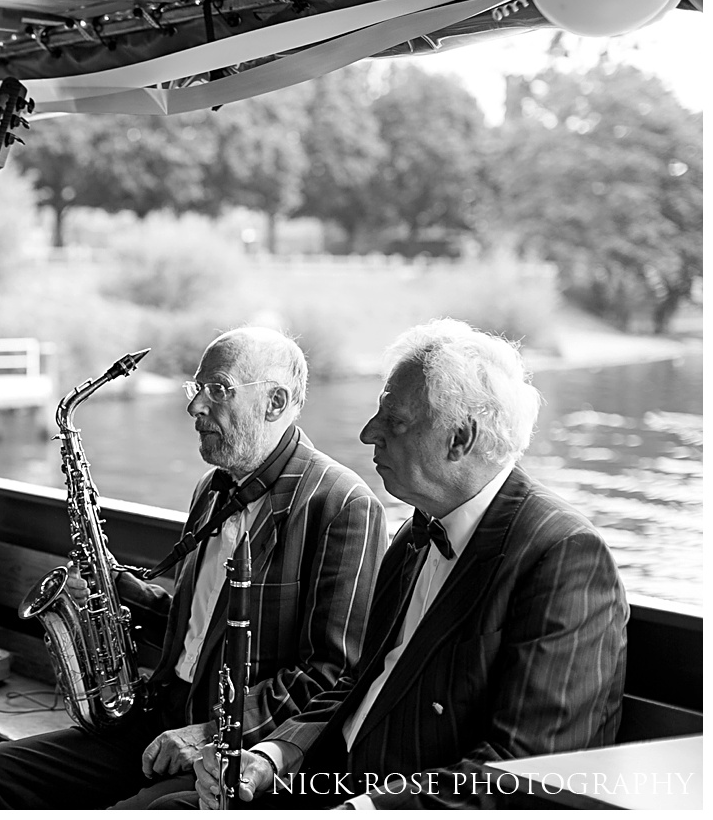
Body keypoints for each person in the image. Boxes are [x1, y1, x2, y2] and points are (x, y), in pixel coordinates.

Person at [202, 318, 630, 809]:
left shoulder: (562, 554)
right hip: (325, 784)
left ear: (459, 439)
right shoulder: (416, 530)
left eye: (395, 421)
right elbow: (360, 680)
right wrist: (275, 754)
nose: (367, 434)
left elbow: (528, 769)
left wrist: (364, 810)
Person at [0, 326, 387, 809]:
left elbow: (330, 673)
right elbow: (199, 632)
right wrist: (112, 587)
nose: (195, 407)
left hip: (240, 749)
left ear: (274, 402)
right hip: (161, 714)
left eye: (217, 390)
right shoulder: (212, 488)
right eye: (196, 388)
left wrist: (207, 732)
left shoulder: (343, 503)